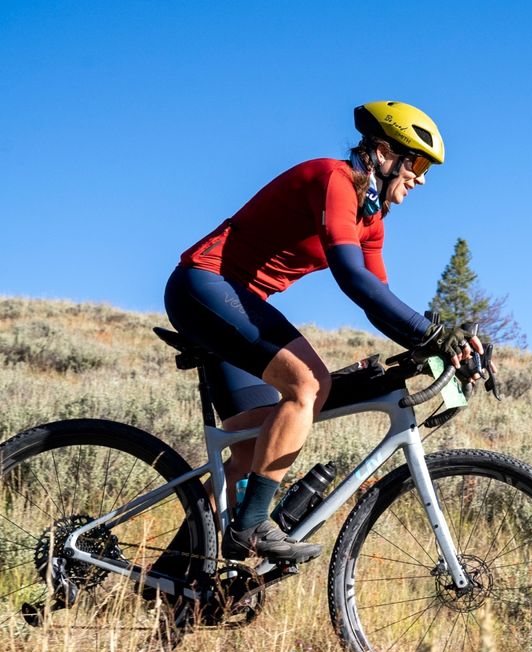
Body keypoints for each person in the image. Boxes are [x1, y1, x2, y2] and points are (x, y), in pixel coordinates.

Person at [164, 101, 484, 562]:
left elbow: (379, 302)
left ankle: (175, 577)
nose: (421, 178)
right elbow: (352, 279)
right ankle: (250, 527)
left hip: (235, 302)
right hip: (204, 285)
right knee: (309, 385)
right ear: (381, 152)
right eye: (416, 163)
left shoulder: (370, 223)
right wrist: (431, 337)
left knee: (248, 451)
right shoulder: (335, 181)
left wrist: (441, 348)